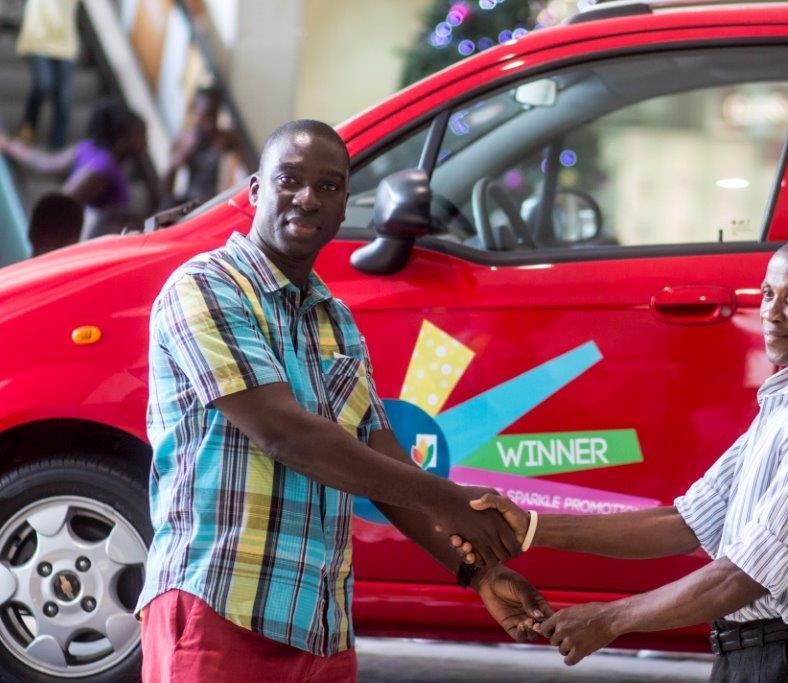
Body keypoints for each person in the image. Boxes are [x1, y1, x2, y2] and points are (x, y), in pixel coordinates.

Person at [136, 119, 547, 682]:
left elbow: (383, 462)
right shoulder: (205, 287)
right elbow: (285, 434)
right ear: (255, 190)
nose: (307, 198)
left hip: (320, 624)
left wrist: (476, 573)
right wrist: (450, 499)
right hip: (221, 604)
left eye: (328, 186)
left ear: (344, 204)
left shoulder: (336, 320)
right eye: (289, 180)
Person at [454, 230, 788, 682]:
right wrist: (529, 529)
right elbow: (685, 522)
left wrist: (610, 620)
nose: (771, 312)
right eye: (768, 293)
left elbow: (741, 576)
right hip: (757, 659)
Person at [0, 99, 150, 240]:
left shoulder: (88, 149)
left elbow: (45, 163)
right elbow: (62, 204)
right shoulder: (104, 167)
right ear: (123, 138)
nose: (145, 143)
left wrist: (10, 146)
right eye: (142, 136)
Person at [15, 0, 81, 149]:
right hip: (37, 40)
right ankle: (28, 127)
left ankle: (57, 147)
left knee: (63, 98)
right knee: (43, 84)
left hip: (65, 44)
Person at [163, 86, 242, 206]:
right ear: (195, 111)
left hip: (220, 203)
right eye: (205, 116)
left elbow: (249, 167)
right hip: (192, 204)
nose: (210, 124)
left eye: (213, 116)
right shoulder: (184, 141)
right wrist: (177, 162)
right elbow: (165, 191)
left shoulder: (224, 138)